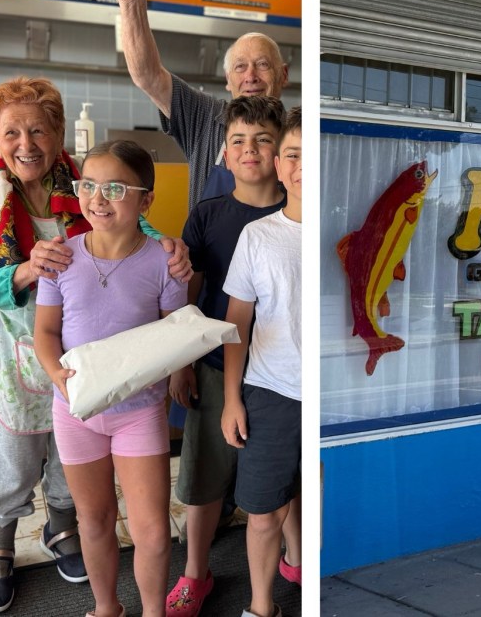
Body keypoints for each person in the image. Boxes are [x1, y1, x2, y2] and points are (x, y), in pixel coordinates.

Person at [0, 77, 191, 614]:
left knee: (74, 482)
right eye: (11, 132)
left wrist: (165, 241)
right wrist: (22, 271)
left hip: (106, 371)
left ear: (59, 133)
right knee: (14, 455)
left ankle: (62, 528)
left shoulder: (82, 180)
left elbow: (123, 216)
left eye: (38, 131)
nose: (26, 143)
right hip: (15, 345)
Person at [35, 140, 186, 617]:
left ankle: (153, 612)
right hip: (75, 411)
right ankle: (106, 608)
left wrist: (179, 378)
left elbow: (176, 335)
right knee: (94, 520)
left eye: (115, 188)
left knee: (153, 531)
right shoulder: (61, 257)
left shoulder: (166, 262)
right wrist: (56, 373)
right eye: (89, 185)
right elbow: (45, 330)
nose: (98, 198)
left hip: (138, 413)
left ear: (146, 200)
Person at [165, 96, 288, 616]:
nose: (250, 149)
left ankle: (292, 560)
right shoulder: (209, 214)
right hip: (218, 366)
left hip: (284, 371)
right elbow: (188, 293)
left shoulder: (297, 208)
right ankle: (196, 572)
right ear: (224, 152)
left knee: (284, 480)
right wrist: (181, 361)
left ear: (282, 150)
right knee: (204, 476)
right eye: (238, 140)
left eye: (262, 139)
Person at [103, 0, 290, 208]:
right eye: (240, 67)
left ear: (283, 75)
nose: (250, 76)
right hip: (206, 252)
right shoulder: (204, 117)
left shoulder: (297, 134)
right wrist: (131, 0)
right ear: (228, 80)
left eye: (262, 65)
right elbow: (148, 76)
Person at [221, 107, 302, 617]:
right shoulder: (258, 236)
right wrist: (232, 398)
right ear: (276, 161)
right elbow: (237, 322)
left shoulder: (346, 231)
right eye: (293, 154)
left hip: (328, 394)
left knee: (314, 505)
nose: (301, 166)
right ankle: (261, 606)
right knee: (263, 512)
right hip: (270, 392)